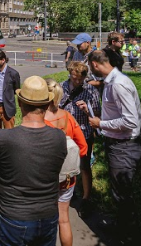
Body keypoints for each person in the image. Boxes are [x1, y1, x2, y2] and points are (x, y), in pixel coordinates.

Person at [0, 76, 67, 246]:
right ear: (46, 105)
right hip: (48, 216)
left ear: (20, 104)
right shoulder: (59, 137)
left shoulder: (4, 138)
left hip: (12, 215)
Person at [86, 50, 141, 244]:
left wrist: (100, 123)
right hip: (119, 144)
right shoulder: (112, 81)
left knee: (122, 193)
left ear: (95, 64)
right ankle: (122, 226)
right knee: (119, 191)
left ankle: (128, 235)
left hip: (123, 146)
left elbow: (130, 121)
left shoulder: (118, 84)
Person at [44, 79, 87, 246]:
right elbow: (82, 147)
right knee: (64, 219)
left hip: (46, 179)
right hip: (68, 178)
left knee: (45, 220)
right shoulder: (67, 117)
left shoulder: (39, 121)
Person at [60, 61, 101, 218]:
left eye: (80, 79)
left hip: (83, 133)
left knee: (84, 165)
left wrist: (87, 110)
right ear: (70, 74)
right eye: (74, 78)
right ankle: (68, 190)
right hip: (64, 133)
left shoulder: (91, 90)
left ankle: (86, 197)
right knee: (64, 164)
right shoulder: (61, 87)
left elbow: (97, 114)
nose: (77, 81)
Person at [0, 49, 20, 132]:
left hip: (6, 108)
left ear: (3, 60)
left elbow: (16, 89)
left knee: (9, 133)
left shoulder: (13, 74)